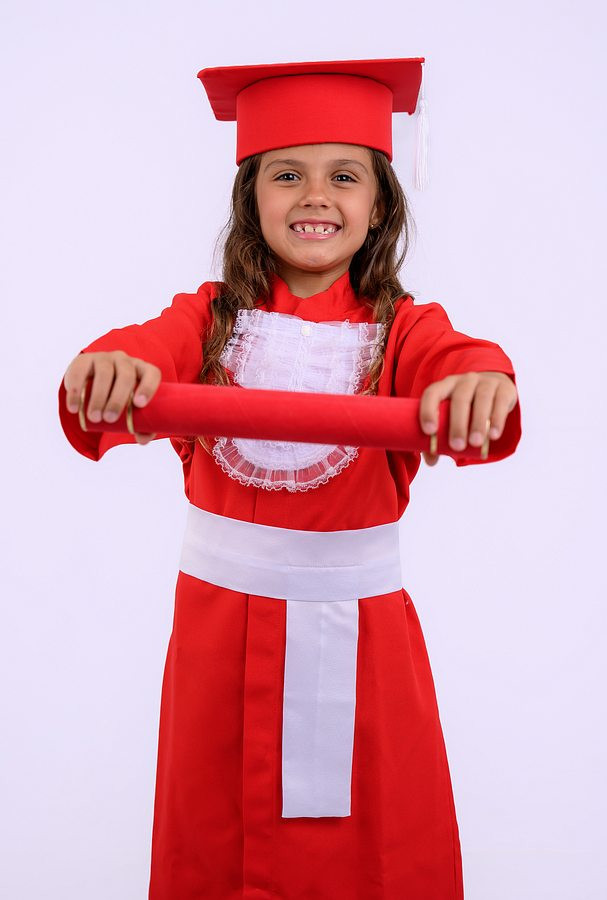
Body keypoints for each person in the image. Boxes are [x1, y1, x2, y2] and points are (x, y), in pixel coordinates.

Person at [58, 57, 521, 900]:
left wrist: (476, 381)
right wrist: (117, 363)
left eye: (343, 176)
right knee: (214, 831)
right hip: (217, 635)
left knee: (373, 840)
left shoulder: (402, 330)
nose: (315, 196)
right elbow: (148, 346)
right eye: (286, 175)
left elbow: (456, 359)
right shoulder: (208, 320)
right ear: (251, 198)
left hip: (361, 640)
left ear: (378, 204)